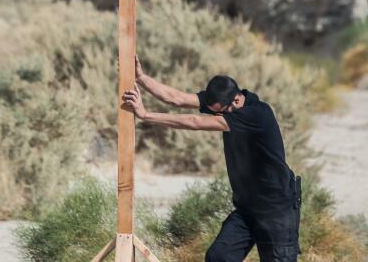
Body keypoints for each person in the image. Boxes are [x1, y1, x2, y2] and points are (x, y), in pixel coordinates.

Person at [122, 55, 302, 262]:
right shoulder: (225, 104)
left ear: (236, 100)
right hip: (247, 209)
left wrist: (146, 115)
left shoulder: (256, 115)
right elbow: (177, 98)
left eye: (220, 114)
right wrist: (141, 77)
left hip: (277, 210)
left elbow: (194, 122)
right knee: (218, 257)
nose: (216, 117)